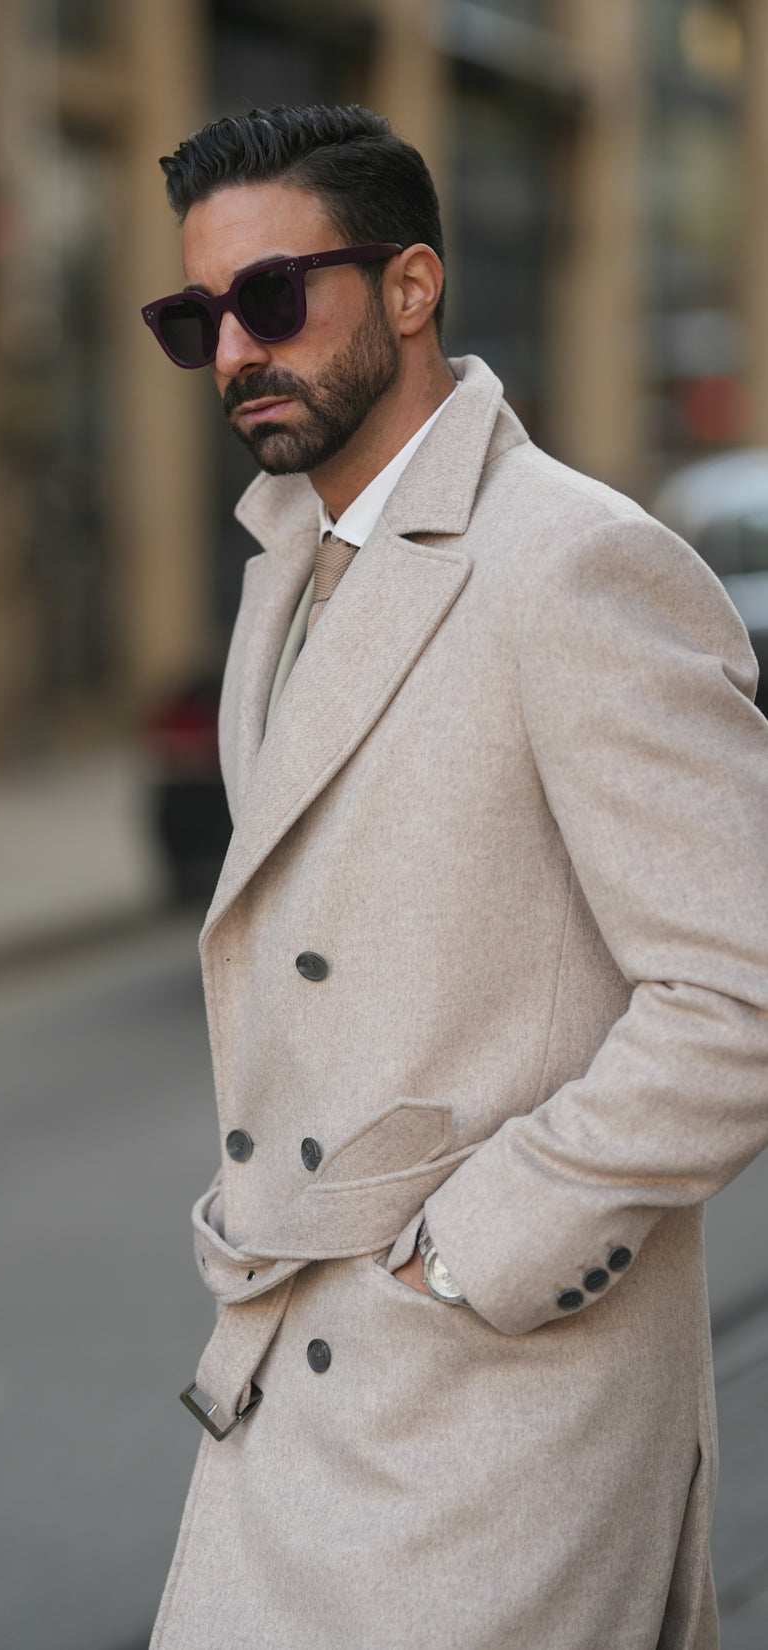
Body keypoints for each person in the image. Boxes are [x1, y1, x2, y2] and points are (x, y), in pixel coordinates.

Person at [139, 104, 768, 1650]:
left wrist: (485, 1248)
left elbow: (741, 989)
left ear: (411, 287)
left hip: (500, 1414)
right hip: (291, 1383)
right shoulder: (287, 563)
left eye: (272, 299)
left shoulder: (574, 563)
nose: (234, 352)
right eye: (195, 316)